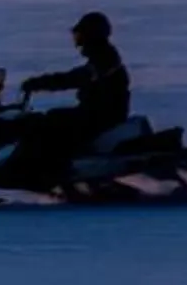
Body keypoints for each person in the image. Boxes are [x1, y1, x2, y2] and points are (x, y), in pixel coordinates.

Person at [14, 11, 131, 175]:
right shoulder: (103, 56)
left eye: (81, 34)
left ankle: (55, 171)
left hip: (102, 116)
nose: (78, 40)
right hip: (97, 113)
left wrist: (40, 83)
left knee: (52, 122)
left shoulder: (105, 59)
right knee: (51, 118)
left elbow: (75, 78)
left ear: (91, 35)